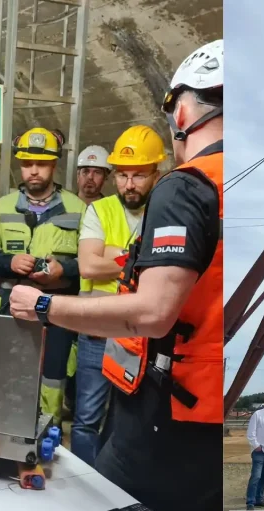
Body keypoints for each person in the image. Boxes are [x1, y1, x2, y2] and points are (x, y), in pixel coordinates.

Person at [6, 39, 223, 511]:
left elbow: (152, 310)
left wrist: (44, 306)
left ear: (183, 111)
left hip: (165, 413)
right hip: (210, 410)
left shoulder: (188, 185)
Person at [0, 126, 84, 424]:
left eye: (42, 164)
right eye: (26, 164)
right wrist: (7, 262)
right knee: (9, 373)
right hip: (12, 309)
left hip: (58, 311)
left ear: (54, 164)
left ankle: (50, 431)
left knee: (53, 377)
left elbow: (90, 261)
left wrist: (66, 270)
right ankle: (7, 429)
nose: (33, 171)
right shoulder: (2, 208)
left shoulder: (78, 209)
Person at [72, 125, 164, 465]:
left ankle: (112, 483)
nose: (129, 184)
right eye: (123, 175)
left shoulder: (166, 210)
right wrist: (141, 262)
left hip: (141, 336)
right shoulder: (101, 210)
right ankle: (85, 483)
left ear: (157, 173)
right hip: (98, 330)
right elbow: (88, 267)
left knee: (126, 422)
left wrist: (113, 255)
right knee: (86, 420)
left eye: (138, 175)